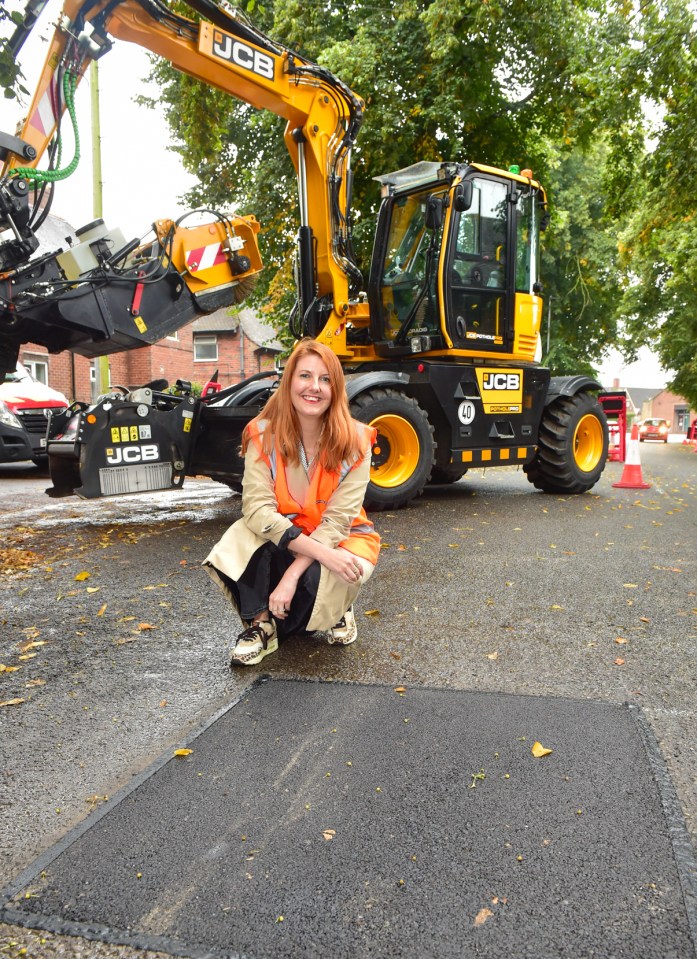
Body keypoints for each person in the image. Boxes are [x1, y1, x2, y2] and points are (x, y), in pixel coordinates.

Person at [203, 338, 380, 667]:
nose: (314, 387)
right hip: (290, 534)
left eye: (325, 379)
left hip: (341, 537)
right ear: (289, 383)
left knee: (324, 577)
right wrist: (318, 556)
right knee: (241, 536)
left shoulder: (357, 441)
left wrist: (292, 575)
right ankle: (261, 625)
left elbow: (338, 522)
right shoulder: (262, 435)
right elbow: (257, 510)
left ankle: (338, 609)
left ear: (336, 389)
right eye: (305, 376)